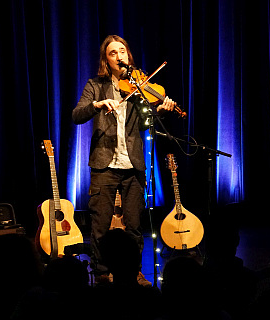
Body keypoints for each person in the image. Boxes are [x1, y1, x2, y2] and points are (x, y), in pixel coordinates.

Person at [72, 34, 175, 285]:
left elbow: (142, 124)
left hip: (133, 165)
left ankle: (134, 272)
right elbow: (77, 115)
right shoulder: (95, 85)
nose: (119, 56)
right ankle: (102, 274)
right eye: (113, 53)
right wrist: (96, 105)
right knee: (99, 227)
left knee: (134, 227)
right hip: (104, 165)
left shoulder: (138, 87)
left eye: (122, 51)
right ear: (106, 60)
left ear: (129, 56)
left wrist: (157, 110)